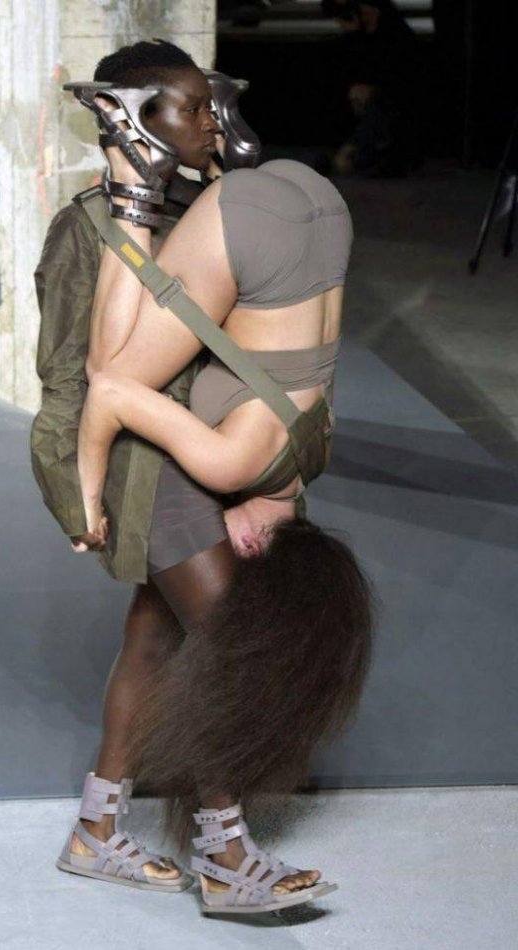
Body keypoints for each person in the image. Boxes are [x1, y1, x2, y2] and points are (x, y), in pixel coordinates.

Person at [31, 39, 373, 916]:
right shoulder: (87, 226)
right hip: (152, 467)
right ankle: (224, 859)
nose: (210, 121)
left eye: (210, 100)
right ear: (137, 118)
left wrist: (268, 480)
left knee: (156, 643)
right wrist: (78, 491)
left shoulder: (211, 204)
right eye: (188, 106)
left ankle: (96, 831)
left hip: (208, 458)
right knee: (233, 644)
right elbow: (75, 375)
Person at [321, 0, 423, 176]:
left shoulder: (394, 34)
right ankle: (353, 152)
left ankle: (364, 153)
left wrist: (371, 90)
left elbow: (401, 82)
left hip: (394, 106)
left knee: (375, 103)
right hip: (376, 106)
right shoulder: (360, 36)